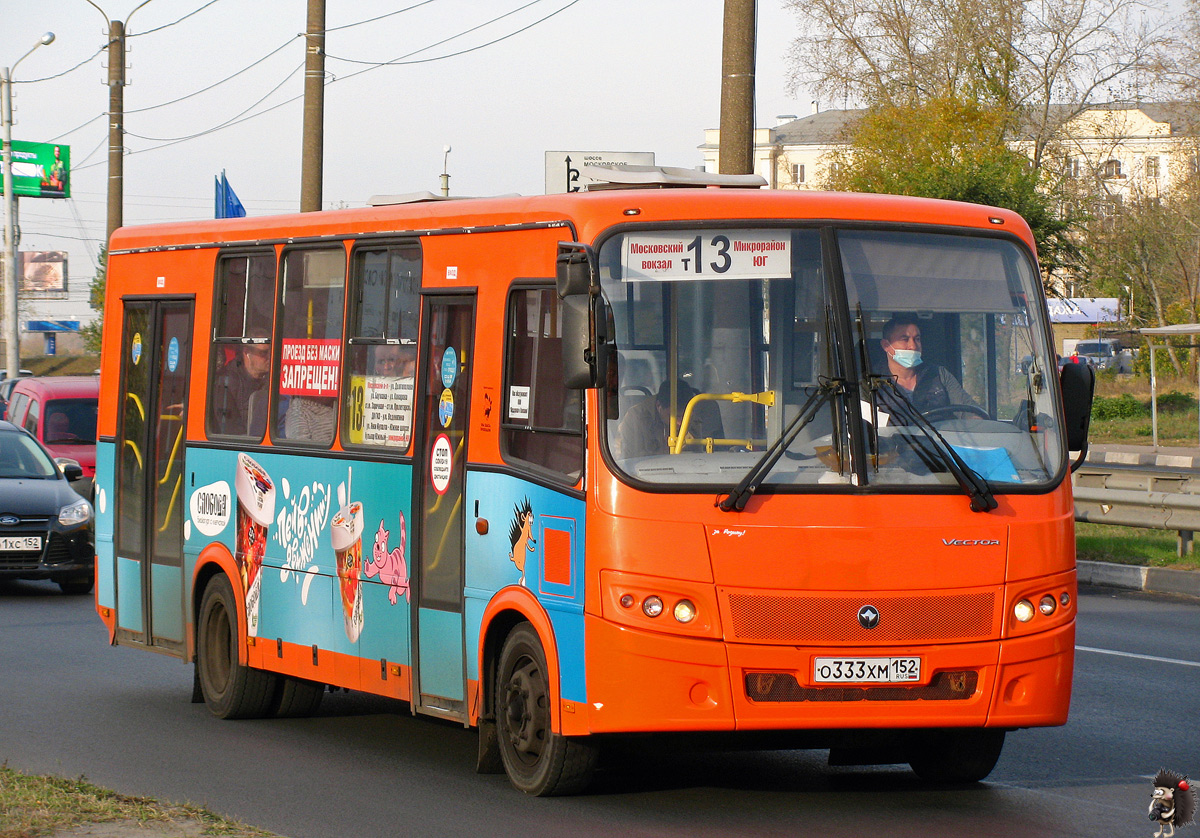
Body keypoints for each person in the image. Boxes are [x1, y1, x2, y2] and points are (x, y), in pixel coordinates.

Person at [878, 313, 976, 415]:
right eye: (905, 339)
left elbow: (970, 411)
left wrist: (976, 420)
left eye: (917, 339)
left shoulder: (939, 374)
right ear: (886, 345)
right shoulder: (870, 383)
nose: (913, 346)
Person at [615, 378, 721, 459]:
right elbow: (631, 460)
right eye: (675, 416)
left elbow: (698, 456)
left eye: (685, 416)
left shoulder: (693, 416)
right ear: (658, 406)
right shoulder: (635, 418)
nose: (681, 423)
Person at [211, 331, 271, 436]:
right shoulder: (225, 383)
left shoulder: (272, 380)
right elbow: (231, 430)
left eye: (271, 352)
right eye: (264, 353)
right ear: (247, 353)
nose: (270, 357)